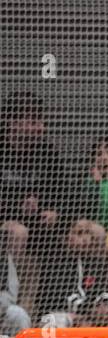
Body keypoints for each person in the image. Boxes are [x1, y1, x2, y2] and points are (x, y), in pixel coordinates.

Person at [0, 91, 68, 290]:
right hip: (8, 226)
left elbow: (65, 193)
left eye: (39, 121)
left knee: (93, 233)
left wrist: (57, 212)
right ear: (13, 123)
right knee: (19, 232)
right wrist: (13, 211)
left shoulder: (48, 153)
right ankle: (9, 300)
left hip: (41, 227)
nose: (41, 127)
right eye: (33, 122)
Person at [35, 218, 108, 328]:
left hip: (85, 312)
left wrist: (105, 304)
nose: (85, 238)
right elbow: (65, 298)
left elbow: (103, 290)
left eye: (88, 234)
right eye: (80, 233)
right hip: (56, 313)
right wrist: (90, 309)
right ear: (68, 235)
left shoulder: (94, 261)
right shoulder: (57, 258)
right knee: (81, 323)